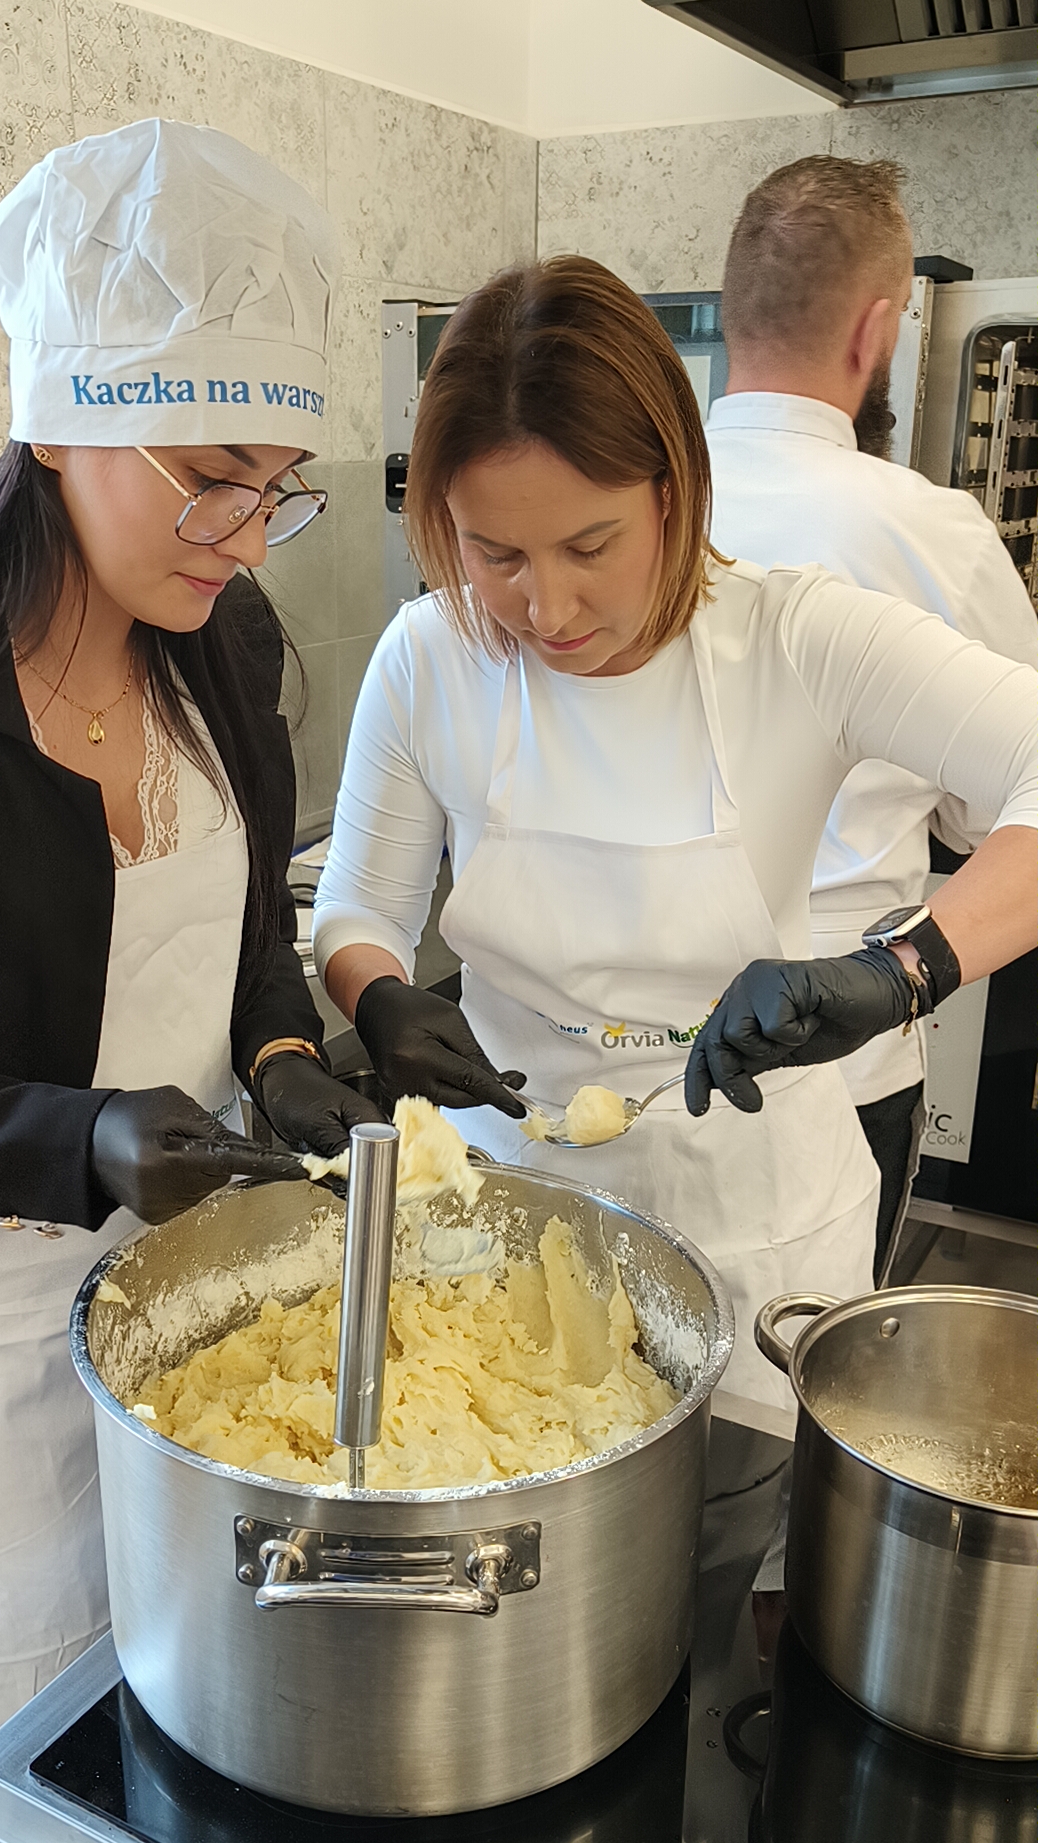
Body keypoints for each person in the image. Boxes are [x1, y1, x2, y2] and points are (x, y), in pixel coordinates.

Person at [314, 253, 1038, 1416]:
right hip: (499, 1206)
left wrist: (902, 970)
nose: (547, 609)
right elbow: (361, 907)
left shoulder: (800, 641)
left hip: (752, 1226)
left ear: (672, 488)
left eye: (589, 546)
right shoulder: (427, 657)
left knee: (735, 1518)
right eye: (497, 555)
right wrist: (378, 994)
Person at [0, 119, 383, 1751]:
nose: (246, 537)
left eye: (277, 491)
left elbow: (246, 928)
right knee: (23, 1747)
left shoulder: (225, 637)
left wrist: (281, 1054)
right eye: (212, 480)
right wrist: (82, 1138)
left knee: (193, 1715)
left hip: (201, 1309)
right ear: (61, 420)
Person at [706, 155, 1038, 1278]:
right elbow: (986, 814)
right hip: (839, 1053)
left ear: (732, 315)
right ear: (878, 331)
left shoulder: (616, 507)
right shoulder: (929, 531)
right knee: (806, 1355)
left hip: (608, 1049)